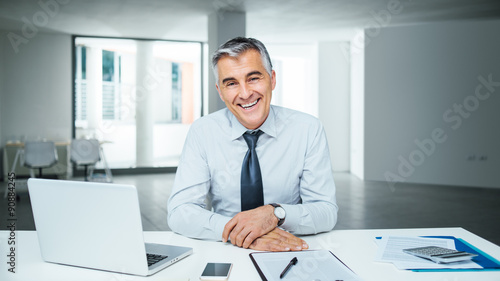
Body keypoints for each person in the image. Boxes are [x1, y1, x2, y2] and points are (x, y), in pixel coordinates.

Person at [167, 37, 338, 252]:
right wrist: (242, 233)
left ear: (272, 79)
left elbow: (326, 212)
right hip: (225, 247)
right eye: (231, 83)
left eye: (253, 78)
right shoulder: (203, 132)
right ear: (220, 91)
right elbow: (180, 212)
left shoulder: (307, 129)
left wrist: (275, 214)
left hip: (287, 247)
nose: (245, 93)